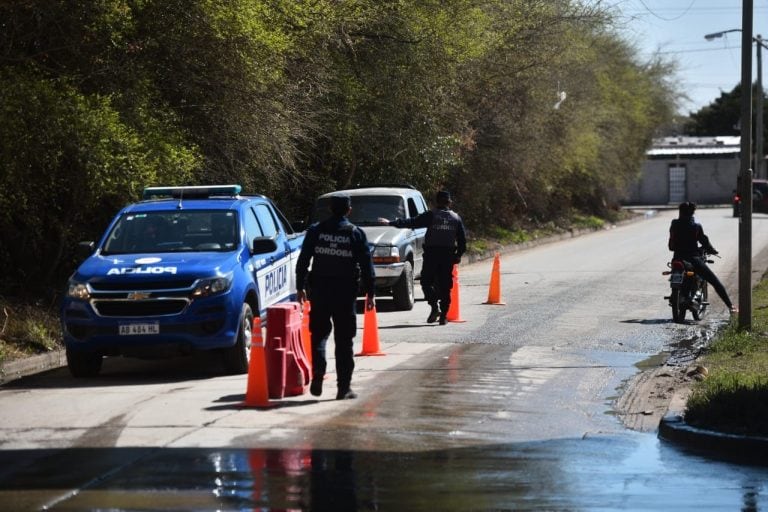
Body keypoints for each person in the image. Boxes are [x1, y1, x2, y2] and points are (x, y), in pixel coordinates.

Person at [296, 193, 376, 400]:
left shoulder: (316, 231)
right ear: (349, 210)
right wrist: (371, 293)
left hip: (321, 291)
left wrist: (300, 287)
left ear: (330, 209)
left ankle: (319, 371)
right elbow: (367, 266)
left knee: (319, 335)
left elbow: (303, 260)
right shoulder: (355, 233)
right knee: (344, 340)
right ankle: (343, 388)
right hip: (345, 294)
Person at [384, 190, 466, 325]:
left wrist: (392, 223)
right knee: (446, 286)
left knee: (426, 282)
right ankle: (444, 315)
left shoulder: (431, 215)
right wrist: (458, 256)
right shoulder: (456, 218)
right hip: (447, 257)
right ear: (449, 202)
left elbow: (412, 222)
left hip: (432, 256)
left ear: (436, 202)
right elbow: (462, 241)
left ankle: (434, 307)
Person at [668, 201, 736, 314]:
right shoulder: (696, 227)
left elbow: (671, 246)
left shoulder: (674, 224)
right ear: (693, 213)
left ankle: (681, 296)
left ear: (680, 212)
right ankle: (731, 306)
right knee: (715, 282)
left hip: (677, 258)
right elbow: (704, 241)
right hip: (693, 259)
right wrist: (711, 250)